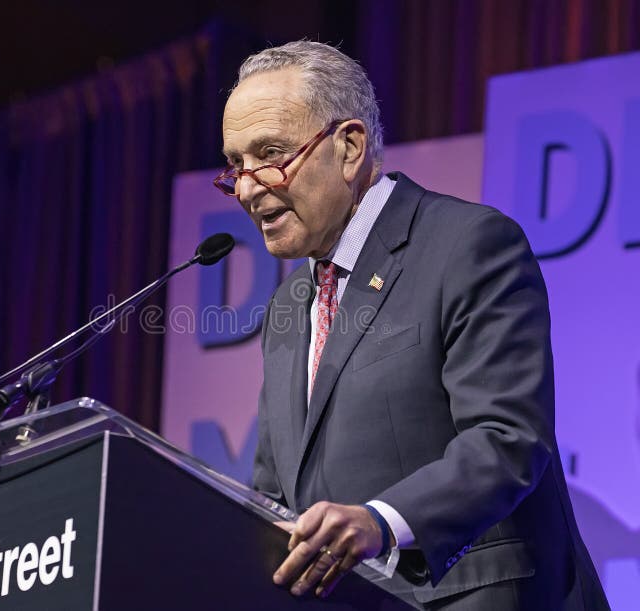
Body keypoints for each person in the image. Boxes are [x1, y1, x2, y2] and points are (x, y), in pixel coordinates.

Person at [214, 41, 608, 609]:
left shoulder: (466, 244)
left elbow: (508, 438)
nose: (248, 189)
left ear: (349, 147)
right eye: (236, 167)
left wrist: (380, 520)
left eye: (270, 154)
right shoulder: (288, 307)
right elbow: (275, 498)